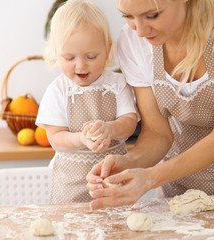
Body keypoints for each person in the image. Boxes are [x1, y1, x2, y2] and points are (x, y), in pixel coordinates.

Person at [86, 0, 214, 210]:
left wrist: (151, 177)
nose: (139, 31)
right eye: (127, 16)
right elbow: (158, 134)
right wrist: (129, 162)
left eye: (153, 15)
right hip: (178, 183)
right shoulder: (132, 41)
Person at [36, 0, 139, 204]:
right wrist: (82, 140)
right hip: (70, 185)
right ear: (56, 52)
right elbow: (55, 137)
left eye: (91, 56)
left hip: (112, 180)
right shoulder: (58, 90)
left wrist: (111, 129)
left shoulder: (118, 83)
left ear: (108, 49)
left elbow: (129, 121)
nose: (81, 65)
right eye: (69, 57)